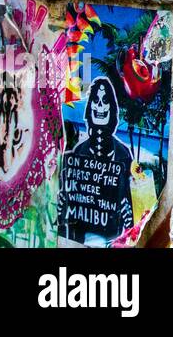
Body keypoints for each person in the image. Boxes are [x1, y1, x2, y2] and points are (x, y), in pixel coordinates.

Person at [57, 77, 135, 244]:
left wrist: (129, 219)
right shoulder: (79, 151)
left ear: (112, 108)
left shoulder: (123, 154)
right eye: (95, 100)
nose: (100, 106)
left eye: (105, 101)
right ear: (90, 106)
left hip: (112, 239)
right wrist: (62, 202)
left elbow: (129, 199)